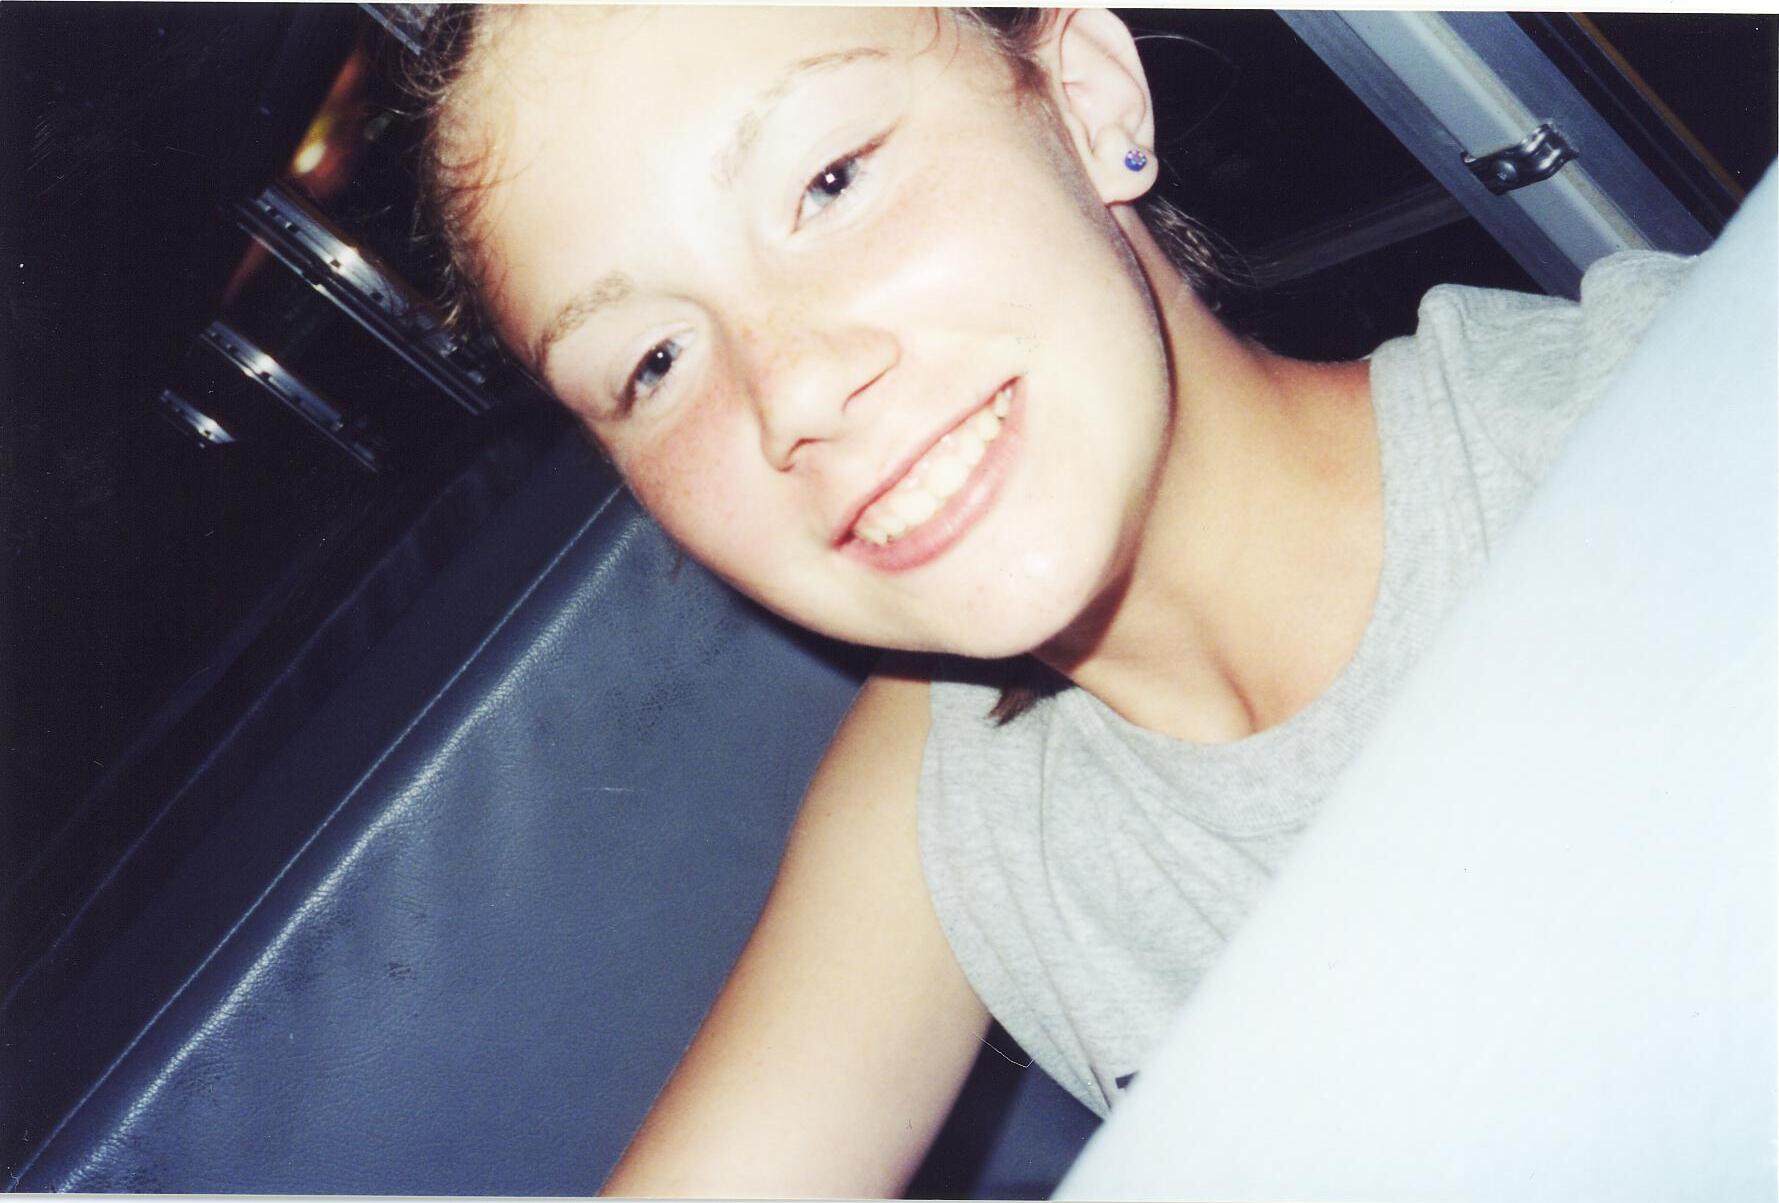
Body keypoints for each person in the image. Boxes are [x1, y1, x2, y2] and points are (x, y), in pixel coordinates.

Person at [408, 7, 1688, 1196]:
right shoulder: (952, 791)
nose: (788, 393)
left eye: (832, 180)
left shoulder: (1668, 434)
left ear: (1086, 100)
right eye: (653, 362)